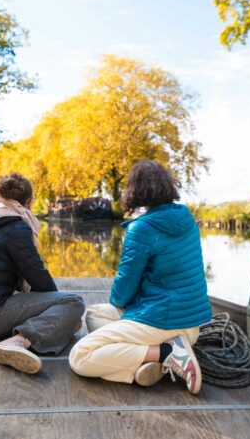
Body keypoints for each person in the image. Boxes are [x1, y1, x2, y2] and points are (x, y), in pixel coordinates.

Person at [68, 160, 212, 394]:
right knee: (95, 314)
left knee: (80, 356)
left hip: (162, 320)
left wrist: (123, 304)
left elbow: (121, 294)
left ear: (135, 191)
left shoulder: (142, 228)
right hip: (191, 325)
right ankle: (150, 363)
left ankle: (168, 353)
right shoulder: (186, 217)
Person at [0, 173, 85, 374]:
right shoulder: (16, 227)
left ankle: (49, 327)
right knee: (72, 303)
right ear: (29, 202)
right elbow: (36, 274)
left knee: (67, 317)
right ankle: (16, 342)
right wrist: (55, 302)